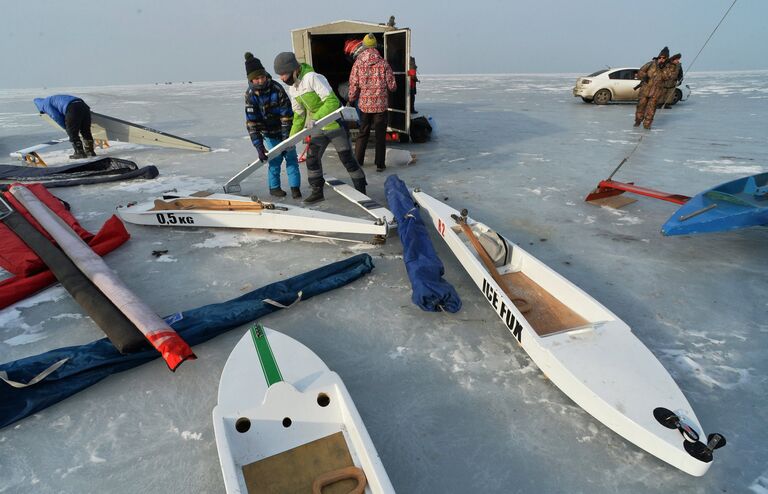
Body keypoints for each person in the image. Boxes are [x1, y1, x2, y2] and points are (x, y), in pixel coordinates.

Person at [273, 51, 367, 204]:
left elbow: (332, 102)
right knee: (312, 159)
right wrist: (291, 139)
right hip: (318, 127)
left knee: (347, 158)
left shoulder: (312, 78)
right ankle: (317, 191)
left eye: (284, 74)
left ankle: (361, 189)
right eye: (280, 75)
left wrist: (316, 117)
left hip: (334, 124)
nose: (282, 78)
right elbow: (299, 115)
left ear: (293, 69)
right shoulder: (293, 89)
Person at [243, 52, 301, 198]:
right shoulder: (250, 96)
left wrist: (287, 138)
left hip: (285, 130)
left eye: (262, 76)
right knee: (274, 161)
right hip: (268, 133)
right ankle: (274, 188)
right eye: (256, 78)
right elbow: (252, 123)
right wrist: (259, 147)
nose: (261, 80)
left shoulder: (277, 89)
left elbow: (286, 115)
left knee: (292, 158)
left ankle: (295, 188)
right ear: (251, 80)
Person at [348, 34, 397, 173]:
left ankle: (358, 161)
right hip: (381, 106)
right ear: (375, 46)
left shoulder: (358, 63)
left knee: (363, 132)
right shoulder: (383, 63)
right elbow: (392, 86)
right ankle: (380, 164)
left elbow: (353, 84)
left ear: (363, 46)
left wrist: (352, 98)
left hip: (364, 105)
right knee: (380, 135)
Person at [33, 94, 96, 159]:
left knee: (72, 132)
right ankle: (90, 151)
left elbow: (55, 116)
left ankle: (79, 153)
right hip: (83, 105)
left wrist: (66, 127)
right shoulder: (51, 99)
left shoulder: (44, 104)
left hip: (72, 107)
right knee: (85, 130)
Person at [633, 46, 676, 129]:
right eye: (660, 57)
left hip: (656, 93)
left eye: (663, 58)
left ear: (666, 58)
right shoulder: (651, 64)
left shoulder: (668, 67)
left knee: (651, 110)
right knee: (640, 107)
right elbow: (640, 72)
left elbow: (667, 77)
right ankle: (638, 121)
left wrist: (664, 67)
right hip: (645, 91)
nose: (661, 59)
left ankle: (647, 125)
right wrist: (644, 76)